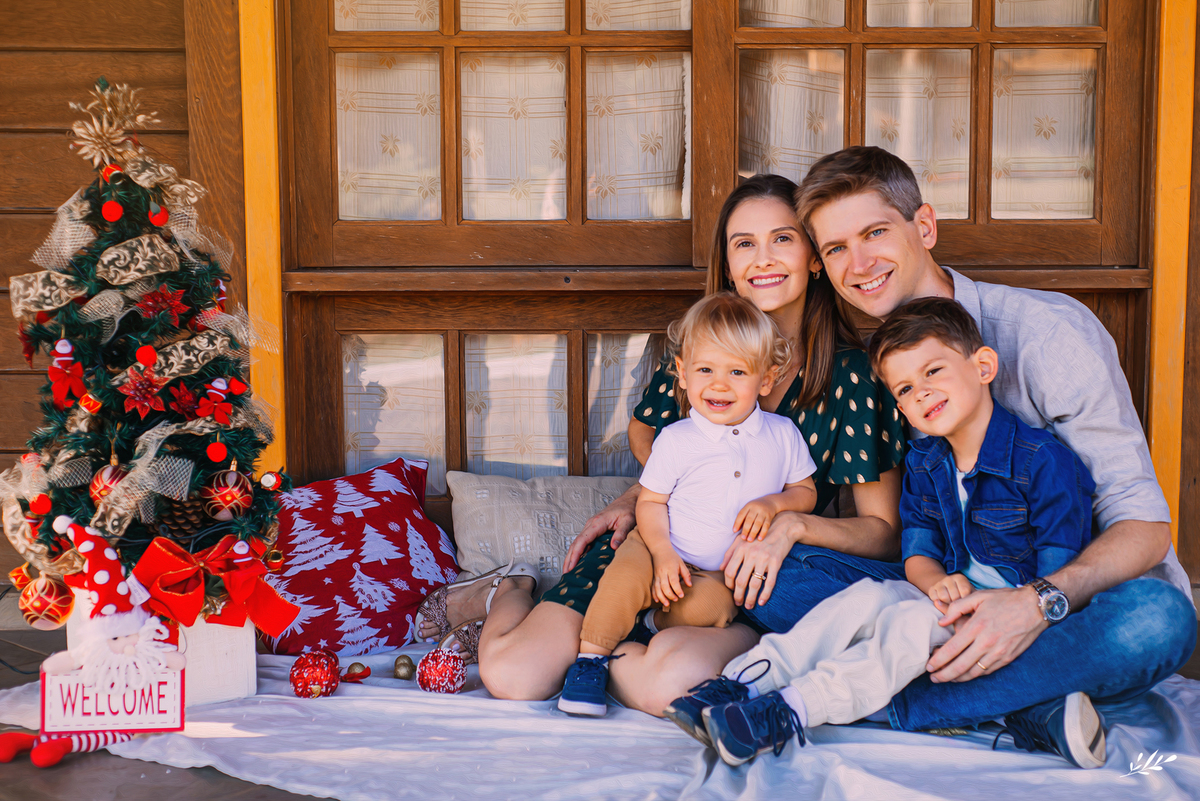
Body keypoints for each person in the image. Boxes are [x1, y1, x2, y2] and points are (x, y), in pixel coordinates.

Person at [672, 146, 1194, 764]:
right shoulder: (863, 359)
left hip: (1071, 605)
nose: (858, 264)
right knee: (767, 571)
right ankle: (1028, 705)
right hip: (935, 596)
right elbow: (887, 527)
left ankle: (886, 703)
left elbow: (1145, 527)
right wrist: (652, 496)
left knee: (1159, 618)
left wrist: (1033, 604)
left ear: (924, 227)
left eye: (874, 233)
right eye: (836, 248)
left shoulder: (1048, 335)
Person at [416, 174, 907, 714]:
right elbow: (645, 427)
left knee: (668, 684)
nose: (763, 258)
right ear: (726, 263)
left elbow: (882, 535)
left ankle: (610, 655)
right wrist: (660, 489)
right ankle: (508, 591)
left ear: (815, 257)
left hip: (745, 582)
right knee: (515, 676)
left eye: (783, 238)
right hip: (654, 547)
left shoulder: (852, 375)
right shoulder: (705, 341)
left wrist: (790, 522)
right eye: (744, 243)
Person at [687, 298, 1105, 769]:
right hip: (946, 600)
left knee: (905, 626)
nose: (921, 393)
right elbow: (918, 554)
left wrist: (1004, 607)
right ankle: (743, 682)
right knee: (865, 598)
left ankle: (791, 709)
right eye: (905, 388)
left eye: (933, 372)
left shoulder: (1042, 461)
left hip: (1013, 612)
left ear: (983, 366)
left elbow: (1057, 574)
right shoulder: (927, 461)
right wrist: (934, 584)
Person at [558, 293, 819, 717]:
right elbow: (652, 502)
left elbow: (805, 492)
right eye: (705, 370)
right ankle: (590, 660)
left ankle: (648, 626)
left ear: (766, 379)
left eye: (737, 371)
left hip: (718, 571)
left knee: (716, 609)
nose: (719, 384)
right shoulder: (677, 439)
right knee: (621, 584)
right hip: (658, 543)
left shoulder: (782, 434)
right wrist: (662, 553)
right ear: (681, 372)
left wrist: (775, 503)